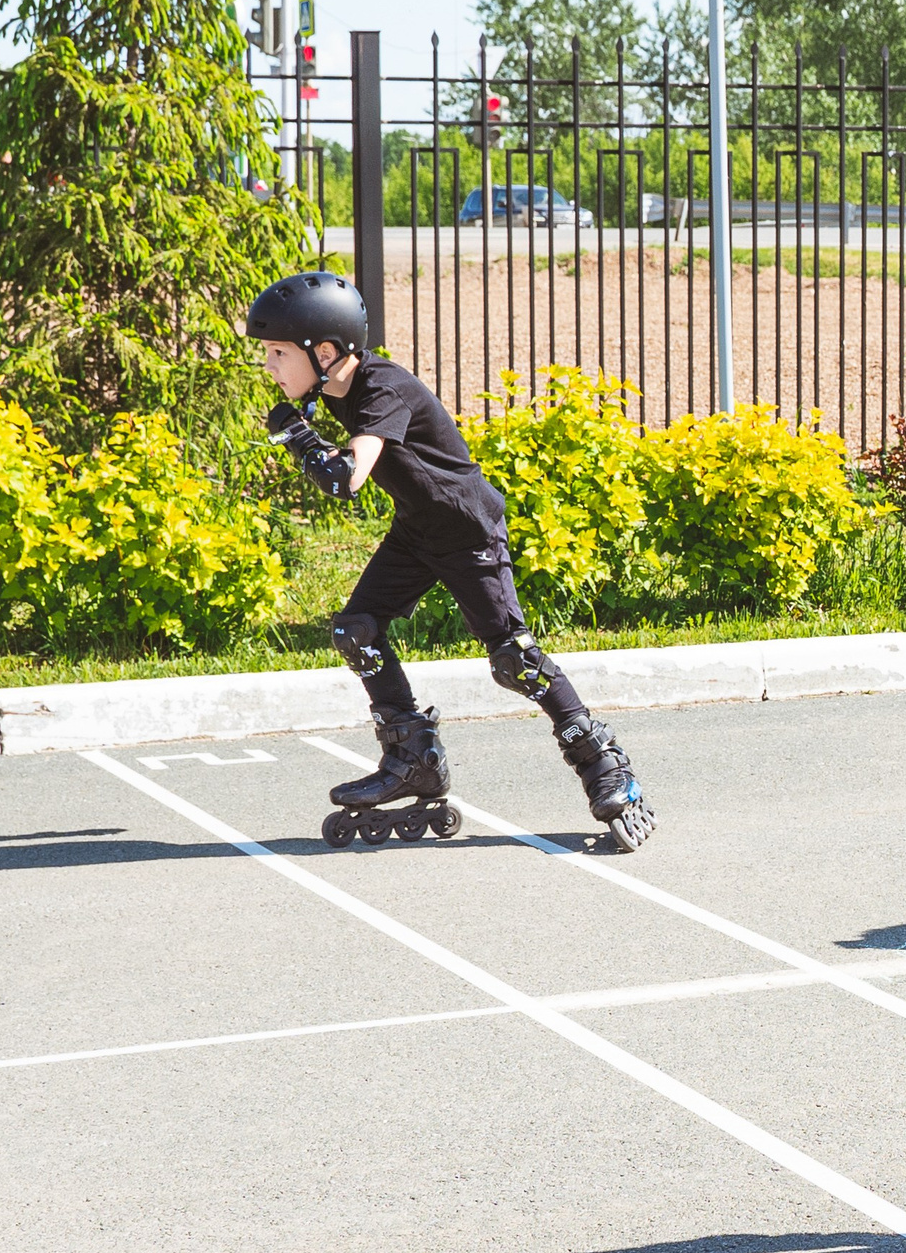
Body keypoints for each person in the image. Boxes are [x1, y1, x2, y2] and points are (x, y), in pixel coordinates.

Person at [252, 271, 656, 852]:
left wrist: (299, 440)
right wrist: (301, 427)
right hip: (419, 530)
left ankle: (604, 762)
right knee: (355, 630)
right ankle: (412, 759)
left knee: (514, 659)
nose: (269, 365)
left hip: (466, 531)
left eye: (277, 353)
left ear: (325, 351)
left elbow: (346, 480)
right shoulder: (331, 388)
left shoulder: (380, 386)